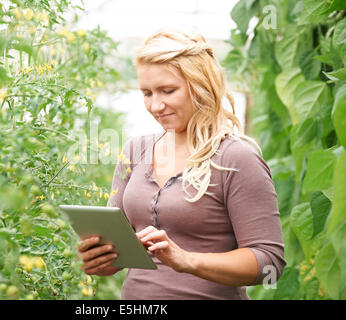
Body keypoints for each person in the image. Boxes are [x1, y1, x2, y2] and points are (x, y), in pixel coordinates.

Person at [77, 29, 286, 300]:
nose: (155, 105)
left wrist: (187, 260)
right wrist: (101, 260)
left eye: (168, 91)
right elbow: (119, 252)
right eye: (147, 93)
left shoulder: (236, 158)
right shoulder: (135, 150)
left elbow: (269, 261)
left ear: (200, 85)